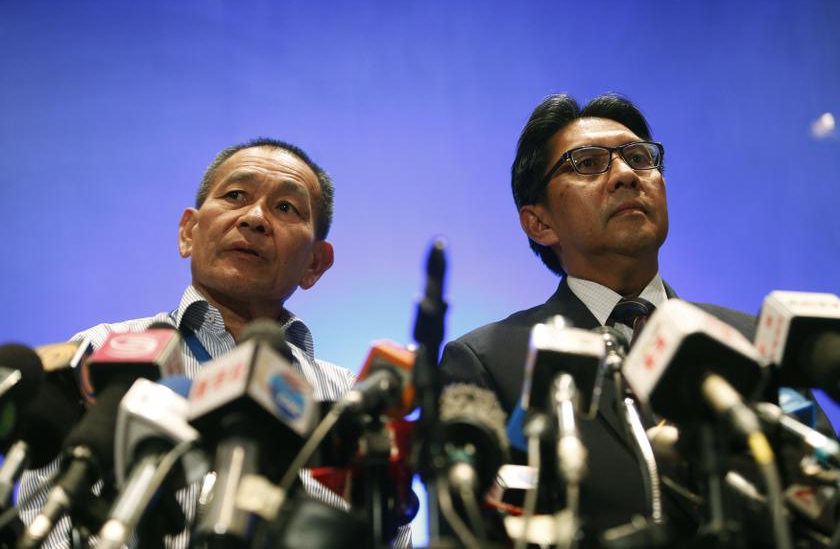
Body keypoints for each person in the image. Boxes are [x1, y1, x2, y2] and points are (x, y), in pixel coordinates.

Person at [17, 138, 412, 548]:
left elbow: (389, 535)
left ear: (315, 263)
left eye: (285, 208)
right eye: (236, 195)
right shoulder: (102, 354)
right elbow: (46, 524)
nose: (255, 218)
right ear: (189, 231)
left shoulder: (348, 402)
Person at [438, 94, 763, 540]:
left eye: (639, 158)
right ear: (539, 223)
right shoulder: (488, 361)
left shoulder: (750, 339)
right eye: (588, 163)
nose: (627, 175)